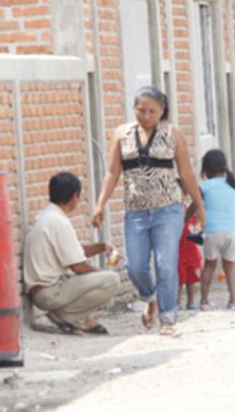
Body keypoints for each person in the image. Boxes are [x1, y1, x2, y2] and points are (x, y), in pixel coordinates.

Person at [91, 86, 205, 336]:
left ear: (161, 111)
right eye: (140, 110)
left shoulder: (172, 134)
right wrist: (100, 204)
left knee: (166, 264)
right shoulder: (122, 134)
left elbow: (185, 172)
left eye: (151, 111)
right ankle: (149, 297)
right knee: (136, 267)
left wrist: (199, 206)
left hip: (168, 210)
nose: (145, 115)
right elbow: (112, 172)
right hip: (136, 212)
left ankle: (167, 319)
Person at [24, 172, 120, 335]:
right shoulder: (59, 222)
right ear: (75, 197)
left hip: (45, 291)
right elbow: (78, 266)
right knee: (111, 280)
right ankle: (71, 317)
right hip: (49, 293)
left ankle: (76, 317)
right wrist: (101, 274)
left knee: (97, 275)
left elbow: (73, 251)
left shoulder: (48, 215)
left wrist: (102, 246)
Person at [190, 149, 235, 311]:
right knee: (230, 266)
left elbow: (194, 207)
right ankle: (234, 301)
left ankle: (204, 301)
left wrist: (184, 219)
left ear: (205, 170)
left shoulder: (204, 187)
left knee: (210, 266)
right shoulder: (233, 185)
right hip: (231, 232)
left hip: (212, 232)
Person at [177, 181, 202, 311]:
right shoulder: (171, 214)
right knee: (179, 279)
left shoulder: (189, 210)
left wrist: (198, 226)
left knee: (191, 279)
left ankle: (191, 301)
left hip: (191, 251)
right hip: (179, 252)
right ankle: (176, 301)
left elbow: (198, 220)